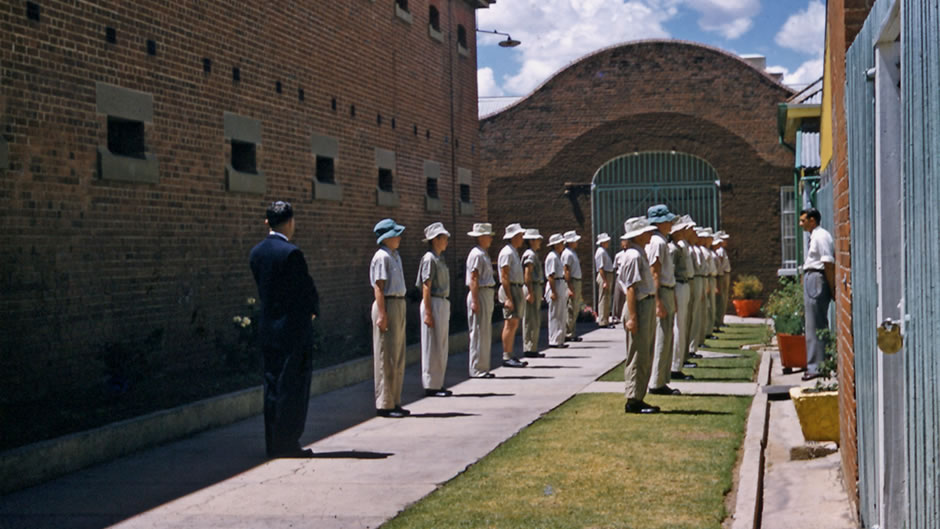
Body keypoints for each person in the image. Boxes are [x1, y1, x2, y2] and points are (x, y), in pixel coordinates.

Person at [249, 201, 319, 458]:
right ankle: (288, 441)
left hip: (269, 327)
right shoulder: (291, 253)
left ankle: (272, 442)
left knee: (272, 384)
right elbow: (304, 291)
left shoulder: (256, 253)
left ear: (268, 222)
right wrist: (312, 310)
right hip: (293, 328)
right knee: (293, 385)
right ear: (289, 221)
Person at [618, 217, 659, 414]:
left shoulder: (639, 252)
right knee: (637, 353)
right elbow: (631, 289)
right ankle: (633, 399)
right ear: (638, 235)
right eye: (647, 231)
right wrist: (633, 317)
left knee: (645, 352)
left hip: (646, 303)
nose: (650, 234)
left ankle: (639, 396)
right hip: (639, 306)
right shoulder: (633, 256)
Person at [370, 218, 409, 418]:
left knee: (398, 354)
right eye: (396, 234)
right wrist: (382, 314)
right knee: (386, 355)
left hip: (398, 302)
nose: (399, 237)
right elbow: (379, 287)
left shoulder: (395, 256)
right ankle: (385, 403)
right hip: (387, 304)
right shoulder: (381, 257)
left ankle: (395, 400)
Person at [645, 204, 680, 396]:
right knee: (662, 337)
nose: (671, 223)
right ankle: (656, 382)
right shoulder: (657, 242)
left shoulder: (661, 241)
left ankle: (661, 379)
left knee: (667, 336)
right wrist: (658, 301)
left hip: (668, 290)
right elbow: (655, 273)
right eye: (668, 220)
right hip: (662, 291)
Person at [416, 222, 452, 397]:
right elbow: (426, 286)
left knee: (441, 344)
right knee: (432, 344)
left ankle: (438, 382)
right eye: (443, 238)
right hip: (433, 302)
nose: (446, 241)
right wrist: (428, 312)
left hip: (442, 302)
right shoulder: (429, 259)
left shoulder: (440, 258)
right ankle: (431, 384)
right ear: (435, 239)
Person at [799, 207, 835, 381]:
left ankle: (816, 366)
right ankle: (819, 362)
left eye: (803, 220)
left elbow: (827, 262)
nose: (801, 224)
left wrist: (832, 286)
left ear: (812, 220)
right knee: (813, 322)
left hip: (816, 278)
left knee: (815, 325)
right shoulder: (815, 236)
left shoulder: (821, 236)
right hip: (812, 277)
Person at [466, 223, 498, 378]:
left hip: (486, 292)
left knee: (485, 331)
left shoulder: (483, 253)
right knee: (478, 331)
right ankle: (477, 368)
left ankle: (483, 366)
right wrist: (474, 299)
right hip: (479, 293)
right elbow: (474, 277)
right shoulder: (476, 254)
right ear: (480, 237)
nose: (491, 238)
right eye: (488, 235)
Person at [498, 223, 529, 368]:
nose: (522, 238)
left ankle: (510, 354)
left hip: (516, 287)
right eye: (520, 235)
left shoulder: (514, 252)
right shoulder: (507, 252)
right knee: (509, 322)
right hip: (510, 288)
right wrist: (509, 298)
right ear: (514, 237)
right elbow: (504, 276)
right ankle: (506, 356)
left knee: (514, 322)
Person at [670, 215, 696, 381]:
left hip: (684, 284)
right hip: (678, 286)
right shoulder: (674, 248)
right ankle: (674, 365)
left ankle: (678, 362)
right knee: (678, 326)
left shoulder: (681, 246)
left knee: (682, 325)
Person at [521, 228, 546, 358]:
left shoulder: (533, 253)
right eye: (537, 239)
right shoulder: (529, 254)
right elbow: (527, 274)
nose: (539, 242)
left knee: (535, 318)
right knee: (530, 318)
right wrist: (530, 292)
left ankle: (533, 346)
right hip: (532, 287)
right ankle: (529, 347)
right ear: (531, 241)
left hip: (536, 286)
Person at [544, 233, 569, 349]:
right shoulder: (552, 257)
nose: (562, 245)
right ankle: (554, 339)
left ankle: (559, 338)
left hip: (560, 283)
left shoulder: (557, 256)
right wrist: (553, 291)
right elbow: (551, 276)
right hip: (556, 284)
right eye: (560, 243)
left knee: (561, 314)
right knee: (555, 314)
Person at [562, 230, 584, 342]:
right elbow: (566, 270)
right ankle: (568, 332)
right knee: (571, 308)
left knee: (575, 308)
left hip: (576, 281)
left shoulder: (572, 252)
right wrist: (570, 287)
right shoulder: (567, 253)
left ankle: (572, 331)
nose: (577, 242)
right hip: (572, 282)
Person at [594, 233, 615, 327]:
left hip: (607, 275)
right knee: (603, 298)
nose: (608, 243)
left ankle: (605, 319)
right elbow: (600, 267)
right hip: (604, 275)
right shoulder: (600, 252)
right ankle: (602, 320)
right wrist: (605, 281)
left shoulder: (603, 251)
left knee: (607, 298)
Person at [611, 237, 629, 324]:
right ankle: (616, 315)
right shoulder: (618, 255)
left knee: (628, 296)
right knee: (618, 296)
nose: (624, 244)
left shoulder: (631, 254)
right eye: (623, 242)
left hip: (627, 277)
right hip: (619, 276)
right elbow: (615, 267)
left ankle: (626, 315)